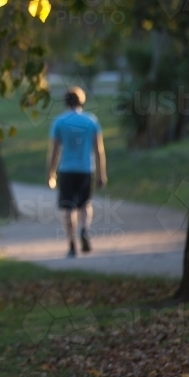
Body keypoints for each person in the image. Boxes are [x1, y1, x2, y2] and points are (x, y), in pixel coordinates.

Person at [46, 86, 107, 258]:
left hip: (66, 169)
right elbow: (99, 150)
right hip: (86, 169)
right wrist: (102, 173)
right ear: (82, 101)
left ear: (65, 102)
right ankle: (84, 229)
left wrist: (51, 173)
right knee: (85, 204)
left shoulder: (59, 122)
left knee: (67, 208)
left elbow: (54, 151)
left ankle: (72, 244)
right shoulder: (91, 121)